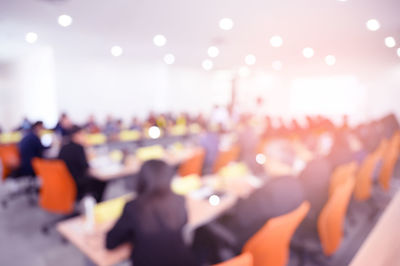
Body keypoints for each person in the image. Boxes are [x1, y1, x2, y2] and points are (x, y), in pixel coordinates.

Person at [106, 160, 197, 266]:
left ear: (141, 179)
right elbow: (184, 222)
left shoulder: (133, 207)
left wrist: (134, 234)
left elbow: (110, 243)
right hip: (182, 261)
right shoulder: (179, 199)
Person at [58, 126, 106, 202]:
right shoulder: (79, 148)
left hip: (65, 181)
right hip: (77, 183)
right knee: (101, 181)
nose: (84, 137)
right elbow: (85, 167)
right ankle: (97, 204)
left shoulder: (63, 147)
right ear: (76, 135)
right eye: (82, 135)